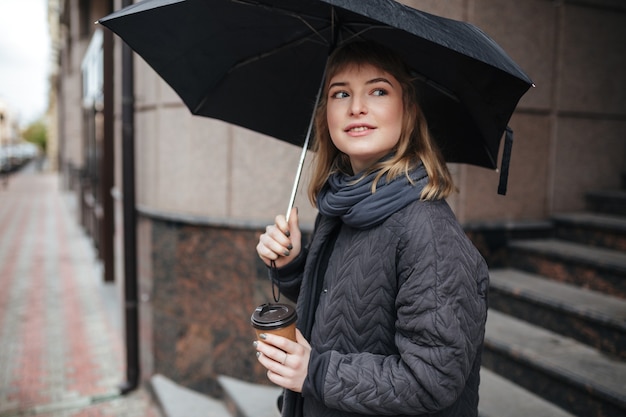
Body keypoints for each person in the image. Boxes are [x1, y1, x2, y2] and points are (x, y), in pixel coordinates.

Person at [254, 41, 489, 417]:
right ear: (325, 114)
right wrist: (294, 265)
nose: (356, 107)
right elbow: (351, 313)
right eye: (340, 93)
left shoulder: (428, 232)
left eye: (378, 90)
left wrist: (314, 372)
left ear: (408, 111)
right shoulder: (339, 208)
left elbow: (431, 380)